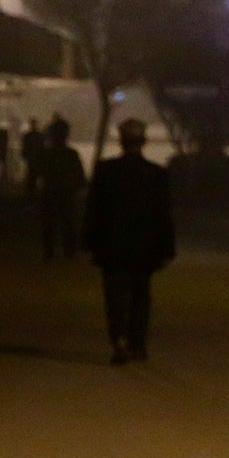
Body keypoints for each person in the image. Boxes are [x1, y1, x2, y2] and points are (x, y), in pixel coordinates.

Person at [82, 117, 176, 364]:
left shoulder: (106, 171)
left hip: (112, 245)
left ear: (121, 142)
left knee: (115, 296)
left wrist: (89, 242)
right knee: (140, 295)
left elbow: (94, 209)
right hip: (145, 247)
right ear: (143, 142)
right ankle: (138, 342)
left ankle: (119, 338)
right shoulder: (156, 174)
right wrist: (167, 248)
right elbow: (164, 215)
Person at [39, 116, 87, 260]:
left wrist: (30, 196)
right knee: (68, 223)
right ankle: (69, 251)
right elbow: (80, 177)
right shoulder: (71, 154)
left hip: (50, 192)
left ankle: (50, 252)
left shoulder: (45, 155)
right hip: (66, 192)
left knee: (50, 224)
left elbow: (34, 174)